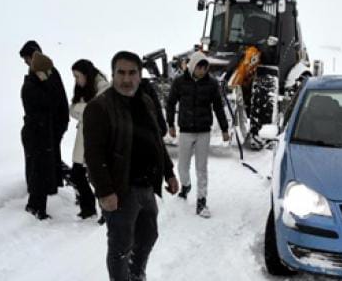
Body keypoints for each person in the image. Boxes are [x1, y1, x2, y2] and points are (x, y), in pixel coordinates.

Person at [84, 51, 179, 281]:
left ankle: (136, 274)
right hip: (120, 190)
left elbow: (156, 140)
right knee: (120, 246)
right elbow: (93, 156)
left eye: (132, 73)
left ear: (140, 75)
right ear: (113, 75)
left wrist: (168, 173)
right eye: (121, 73)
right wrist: (105, 192)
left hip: (146, 186)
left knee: (148, 236)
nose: (126, 79)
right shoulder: (99, 107)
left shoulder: (145, 101)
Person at [166, 51, 230, 217]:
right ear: (192, 66)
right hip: (186, 130)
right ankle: (186, 185)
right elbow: (171, 103)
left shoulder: (211, 84)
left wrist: (224, 129)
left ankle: (201, 201)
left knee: (201, 168)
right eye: (199, 67)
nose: (202, 71)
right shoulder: (180, 82)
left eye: (205, 68)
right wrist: (170, 124)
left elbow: (218, 107)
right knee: (182, 166)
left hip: (203, 131)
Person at [19, 49, 67, 220]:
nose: (48, 75)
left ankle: (38, 206)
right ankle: (35, 207)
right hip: (35, 135)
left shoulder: (38, 84)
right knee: (38, 172)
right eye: (46, 72)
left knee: (43, 172)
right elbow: (49, 104)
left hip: (43, 134)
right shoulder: (31, 87)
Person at [69, 59, 109, 219]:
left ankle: (106, 211)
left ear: (86, 74)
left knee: (97, 177)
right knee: (77, 174)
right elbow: (73, 110)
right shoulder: (83, 88)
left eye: (77, 76)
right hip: (83, 136)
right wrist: (84, 110)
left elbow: (97, 111)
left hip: (98, 139)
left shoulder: (103, 86)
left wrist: (83, 110)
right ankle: (88, 208)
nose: (76, 80)